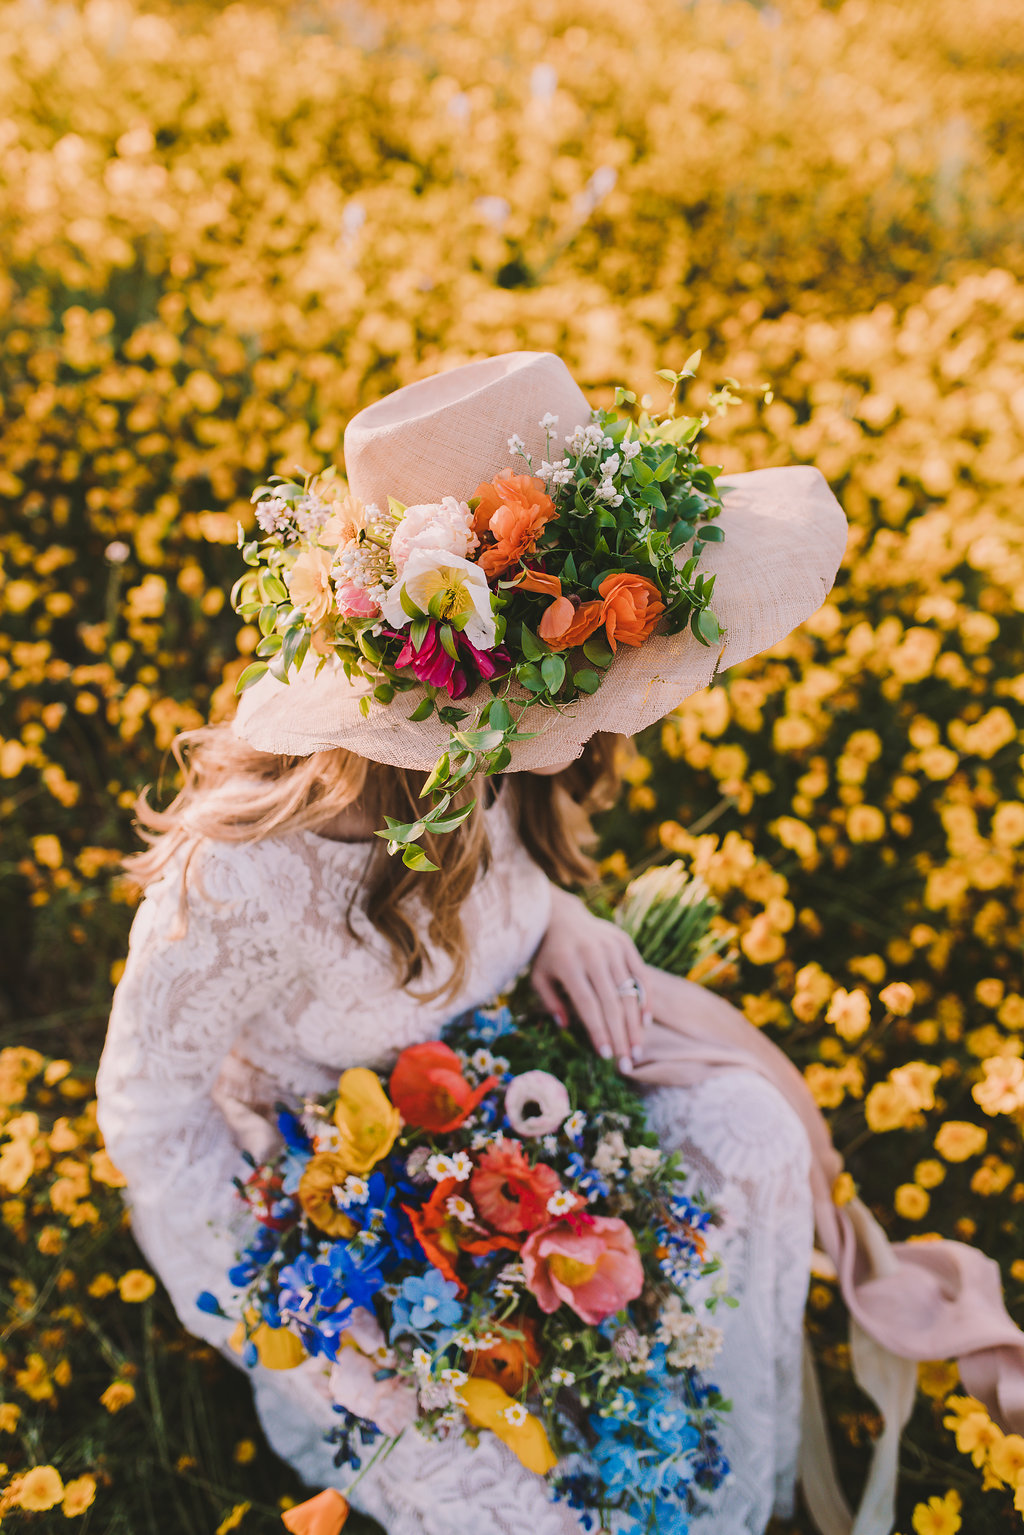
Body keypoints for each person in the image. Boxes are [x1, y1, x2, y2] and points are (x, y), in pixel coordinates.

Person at [97, 351, 848, 1535]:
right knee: (523, 1503)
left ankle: (716, 1493)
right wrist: (298, 1308)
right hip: (360, 1230)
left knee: (749, 1134)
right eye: (573, 676)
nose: (609, 700)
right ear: (437, 695)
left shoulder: (487, 767)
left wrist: (561, 915)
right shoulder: (241, 877)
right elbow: (149, 1115)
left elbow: (502, 873)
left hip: (524, 1110)